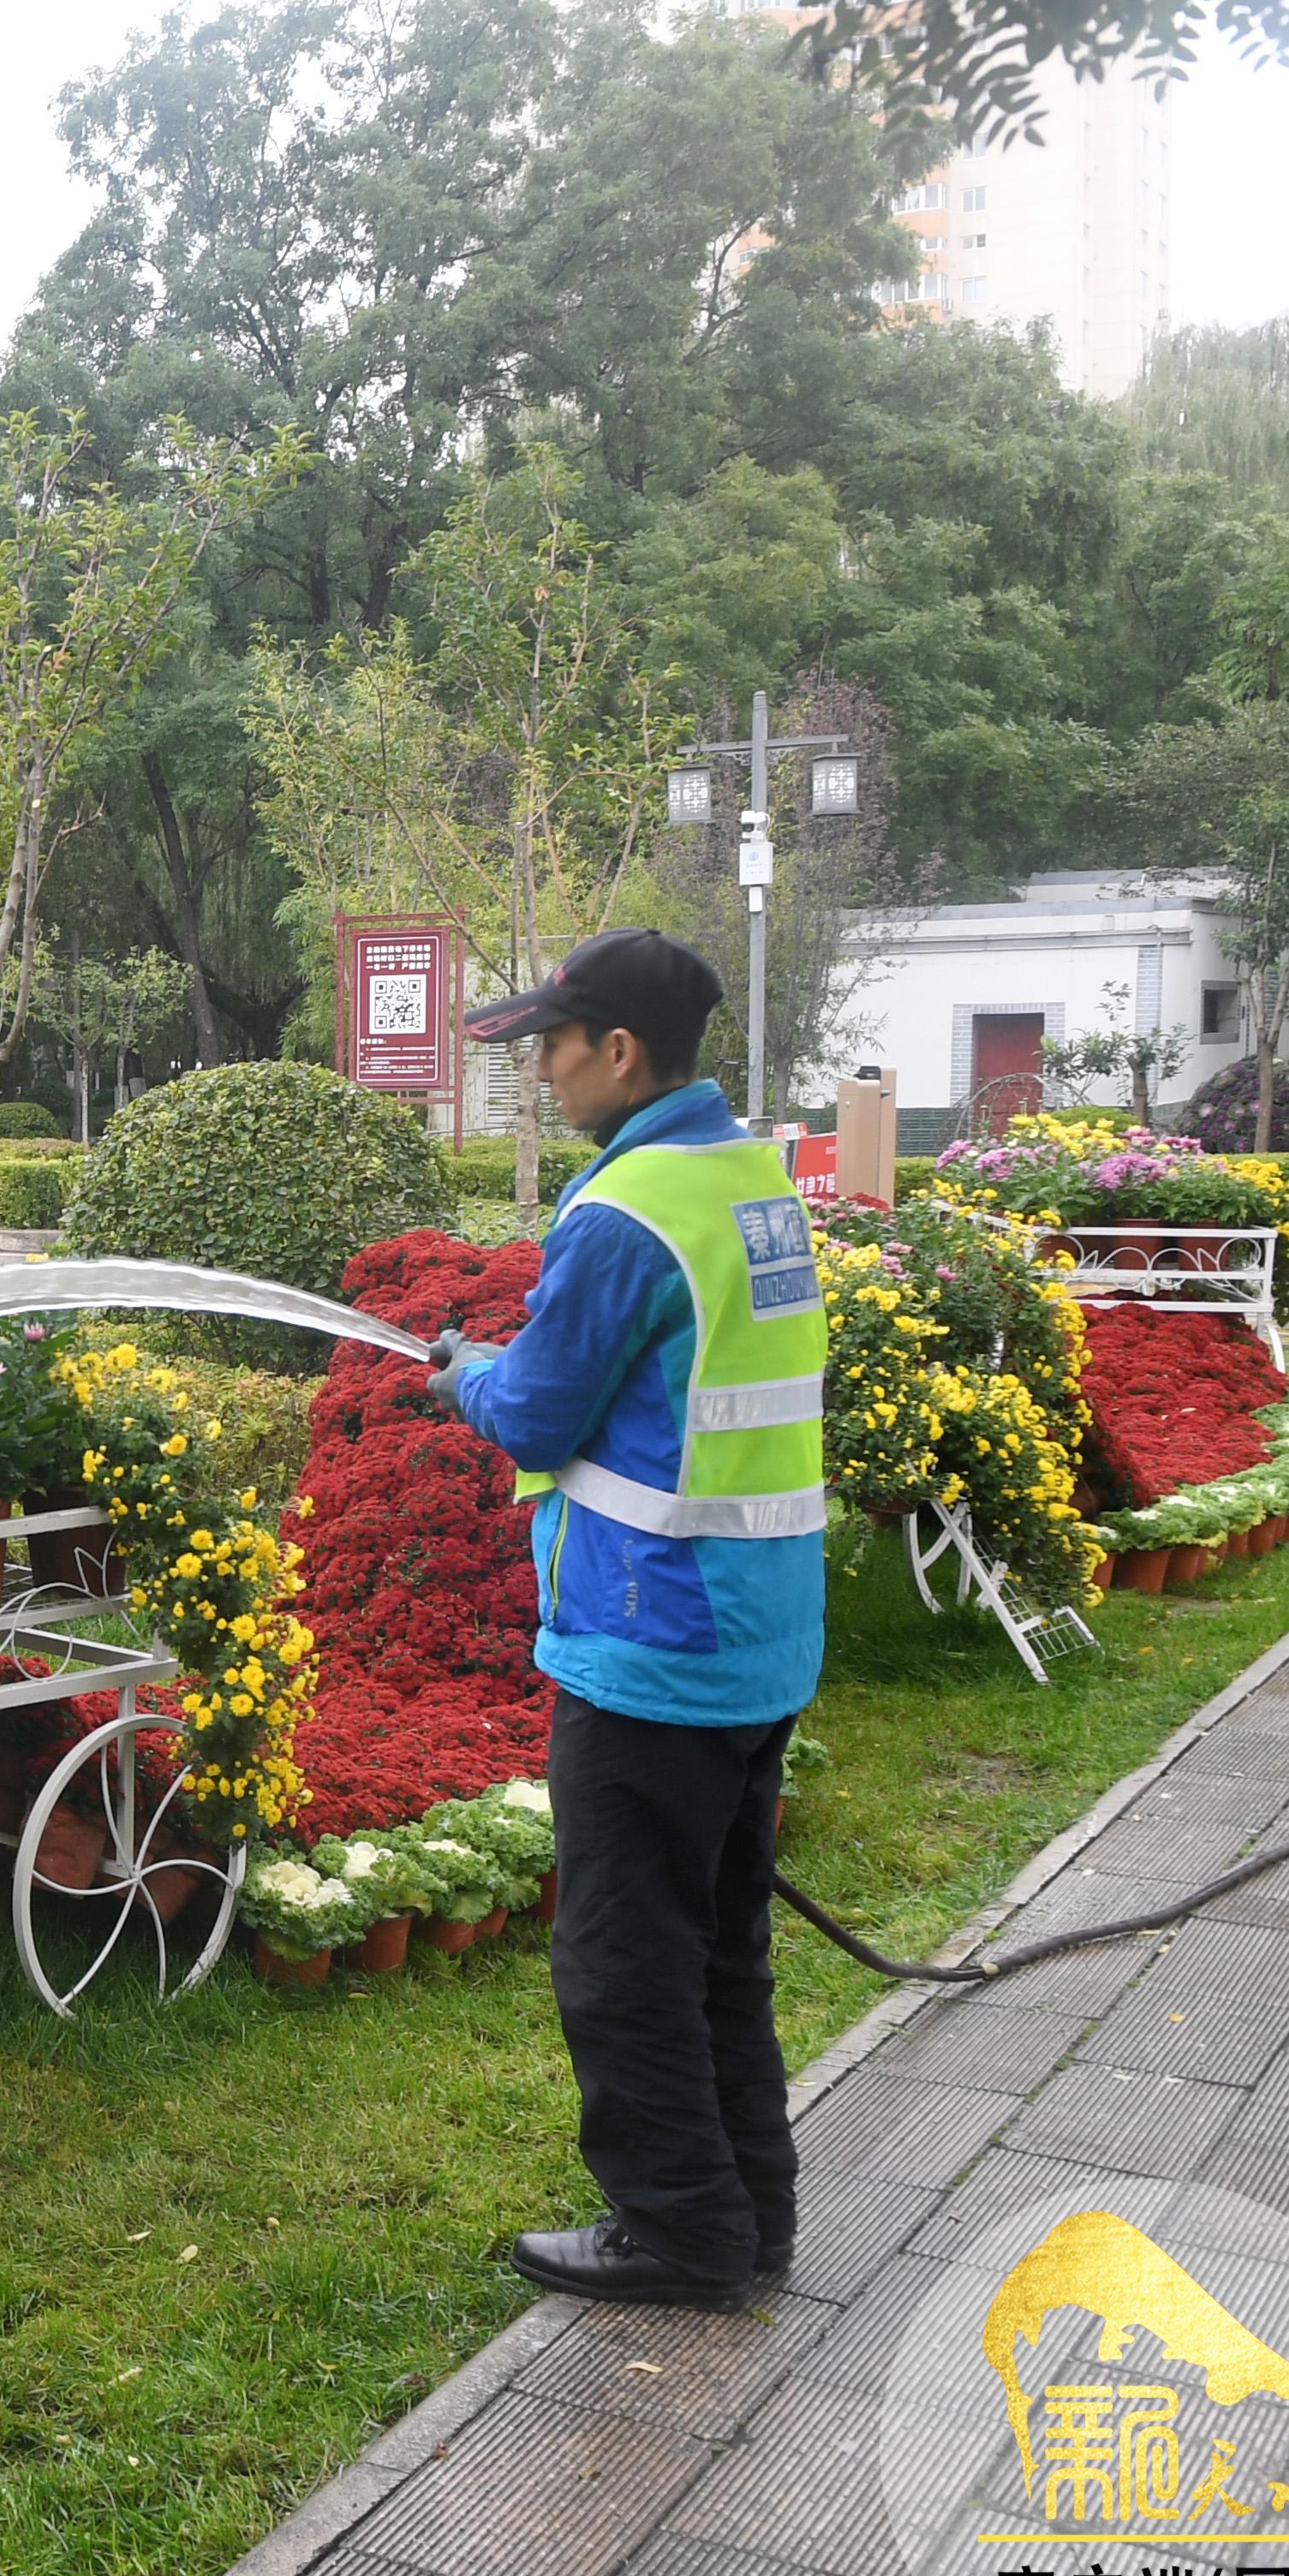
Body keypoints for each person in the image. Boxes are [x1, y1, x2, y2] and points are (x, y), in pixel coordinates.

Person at [439, 928, 828, 2311]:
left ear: (618, 1051)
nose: (540, 1070)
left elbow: (541, 1414)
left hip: (651, 1635)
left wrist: (463, 1372)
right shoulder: (749, 1178)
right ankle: (746, 2213)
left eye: (551, 1044)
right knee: (719, 1947)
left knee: (623, 1961)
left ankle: (676, 2230)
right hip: (757, 1630)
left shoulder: (624, 1210)